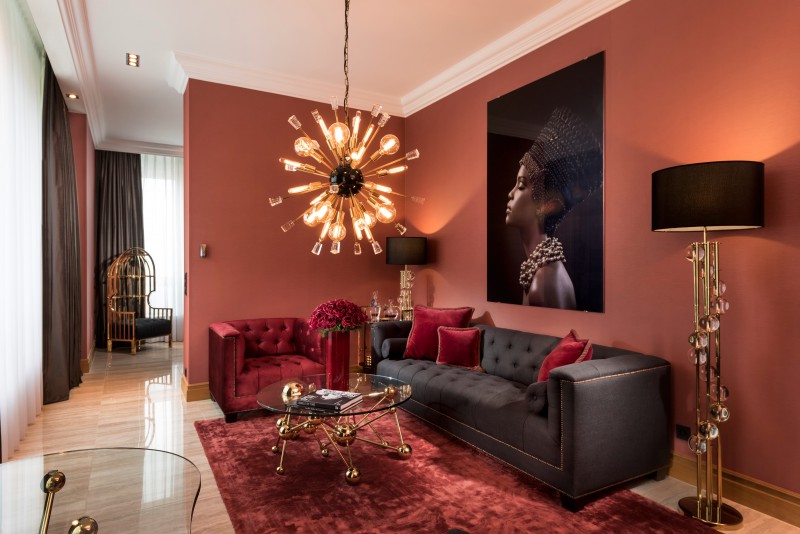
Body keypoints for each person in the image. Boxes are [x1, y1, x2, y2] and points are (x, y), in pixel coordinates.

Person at [505, 107, 602, 309]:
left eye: (521, 185)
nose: (511, 193)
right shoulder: (540, 272)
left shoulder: (544, 282)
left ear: (548, 205)